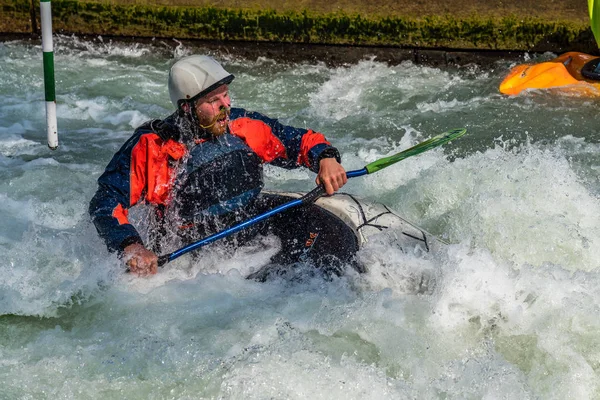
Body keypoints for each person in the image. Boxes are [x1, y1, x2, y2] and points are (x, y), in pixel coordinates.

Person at [89, 55, 348, 276]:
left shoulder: (242, 125)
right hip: (192, 247)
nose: (226, 105)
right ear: (188, 108)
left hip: (249, 224)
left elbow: (297, 141)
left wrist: (325, 157)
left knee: (321, 227)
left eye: (225, 95)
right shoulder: (153, 147)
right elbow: (106, 201)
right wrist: (133, 247)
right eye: (214, 101)